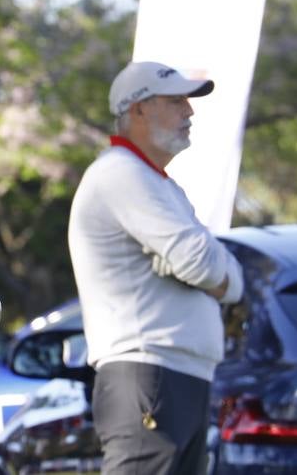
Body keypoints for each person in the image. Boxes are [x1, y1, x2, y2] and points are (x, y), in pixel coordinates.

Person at [67, 60, 244, 475]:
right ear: (138, 109)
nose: (190, 111)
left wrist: (207, 269)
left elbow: (219, 270)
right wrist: (213, 274)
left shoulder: (154, 182)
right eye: (176, 100)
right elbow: (202, 263)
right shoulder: (121, 174)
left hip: (169, 375)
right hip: (148, 375)